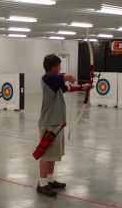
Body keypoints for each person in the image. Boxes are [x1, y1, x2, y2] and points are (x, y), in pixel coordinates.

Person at [37, 54, 92, 197]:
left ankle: (49, 180)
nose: (61, 68)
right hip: (49, 122)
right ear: (54, 68)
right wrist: (71, 77)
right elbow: (67, 77)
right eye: (59, 66)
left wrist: (83, 87)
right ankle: (42, 183)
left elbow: (66, 89)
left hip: (56, 122)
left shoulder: (54, 81)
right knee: (46, 153)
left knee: (53, 153)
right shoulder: (48, 78)